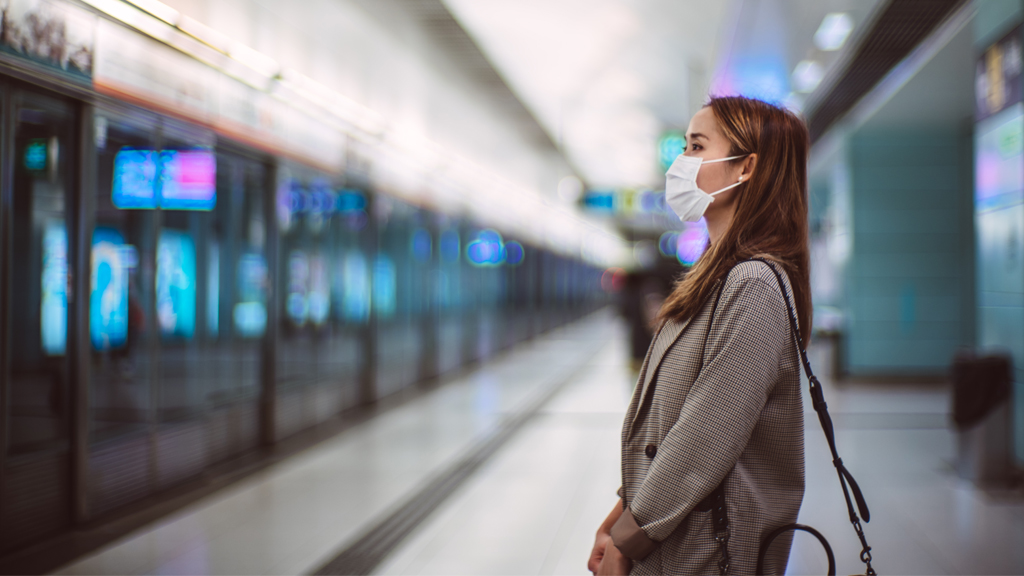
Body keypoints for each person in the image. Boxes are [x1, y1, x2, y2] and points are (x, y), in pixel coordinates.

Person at [589, 95, 811, 575]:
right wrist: (619, 513)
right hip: (676, 535)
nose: (681, 163)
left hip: (708, 551)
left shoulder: (752, 284)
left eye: (695, 146)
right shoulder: (715, 274)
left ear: (744, 167)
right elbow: (671, 425)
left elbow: (703, 438)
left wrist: (628, 540)